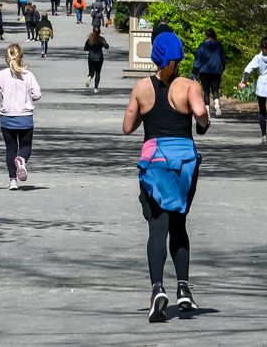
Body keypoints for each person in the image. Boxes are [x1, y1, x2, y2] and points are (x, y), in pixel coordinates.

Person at [122, 32, 210, 323]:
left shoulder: (142, 87)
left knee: (157, 227)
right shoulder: (190, 85)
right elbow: (200, 114)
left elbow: (127, 127)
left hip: (154, 160)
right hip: (184, 160)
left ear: (155, 55)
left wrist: (145, 113)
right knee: (179, 224)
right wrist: (203, 118)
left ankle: (157, 289)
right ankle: (183, 288)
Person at [0, 44, 43, 190]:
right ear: (21, 57)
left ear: (7, 59)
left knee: (10, 148)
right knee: (26, 146)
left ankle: (12, 181)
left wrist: (0, 91)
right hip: (25, 118)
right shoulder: (28, 75)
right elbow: (37, 95)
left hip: (7, 118)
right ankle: (21, 160)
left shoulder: (2, 75)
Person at [192, 29, 227, 116]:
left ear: (206, 36)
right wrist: (222, 68)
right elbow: (223, 59)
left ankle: (207, 111)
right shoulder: (219, 46)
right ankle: (217, 104)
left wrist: (195, 71)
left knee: (206, 90)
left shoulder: (202, 46)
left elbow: (197, 60)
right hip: (216, 71)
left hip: (204, 71)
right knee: (215, 90)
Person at [84, 26, 110, 93]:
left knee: (91, 72)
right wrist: (107, 45)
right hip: (99, 58)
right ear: (99, 32)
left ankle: (89, 77)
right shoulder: (101, 39)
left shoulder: (90, 39)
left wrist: (90, 48)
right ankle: (95, 88)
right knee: (98, 73)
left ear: (93, 31)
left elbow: (85, 48)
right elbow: (106, 46)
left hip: (91, 57)